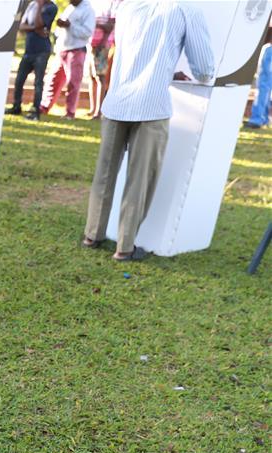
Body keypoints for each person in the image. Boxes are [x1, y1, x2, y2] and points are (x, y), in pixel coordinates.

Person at [83, 0, 214, 261]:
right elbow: (204, 69)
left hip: (117, 100)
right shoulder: (187, 9)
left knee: (104, 173)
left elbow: (130, 52)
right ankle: (125, 247)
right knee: (140, 179)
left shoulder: (128, 6)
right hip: (152, 106)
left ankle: (92, 234)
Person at [39, 0, 95, 119]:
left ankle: (70, 112)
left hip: (76, 49)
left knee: (73, 83)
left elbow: (87, 32)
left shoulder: (88, 10)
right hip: (62, 48)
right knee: (53, 79)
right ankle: (45, 106)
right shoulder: (70, 8)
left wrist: (70, 25)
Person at [6, 0, 58, 121]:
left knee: (38, 82)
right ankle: (16, 106)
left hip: (42, 51)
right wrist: (34, 28)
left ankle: (35, 111)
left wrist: (40, 6)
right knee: (19, 80)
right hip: (29, 50)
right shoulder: (32, 5)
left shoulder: (51, 7)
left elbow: (40, 24)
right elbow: (22, 26)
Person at [86, 0, 121, 119]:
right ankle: (92, 108)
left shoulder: (113, 3)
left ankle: (99, 111)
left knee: (101, 77)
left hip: (103, 44)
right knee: (92, 77)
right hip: (91, 42)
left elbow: (110, 25)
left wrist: (103, 41)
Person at [244, 24, 272, 129]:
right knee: (265, 88)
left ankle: (257, 119)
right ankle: (262, 118)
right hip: (268, 47)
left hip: (270, 48)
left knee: (263, 87)